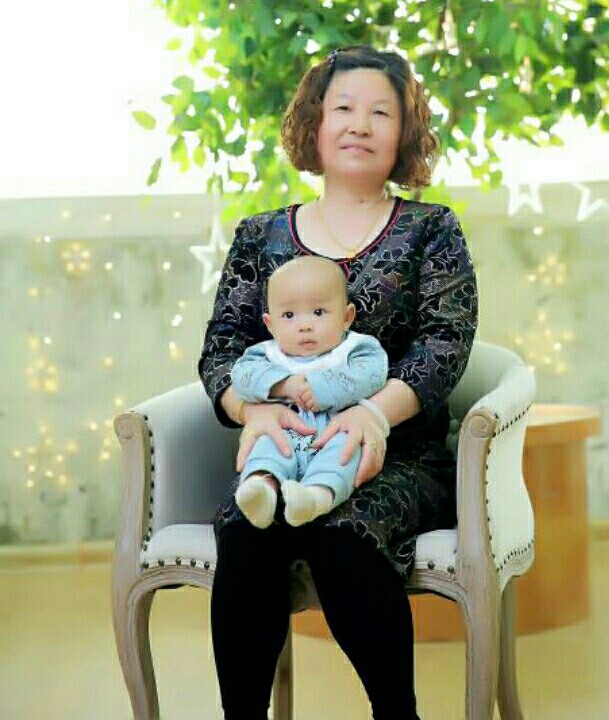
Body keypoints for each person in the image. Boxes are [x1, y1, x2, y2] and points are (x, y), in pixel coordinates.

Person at [199, 45, 478, 720]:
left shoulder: (432, 229)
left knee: (344, 534)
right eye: (344, 108)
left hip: (398, 455)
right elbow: (222, 348)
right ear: (315, 125)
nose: (360, 124)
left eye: (381, 112)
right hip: (282, 445)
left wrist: (373, 415)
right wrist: (252, 411)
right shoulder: (261, 235)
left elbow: (445, 343)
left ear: (404, 133)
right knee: (248, 530)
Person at [230, 255, 389, 529]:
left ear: (346, 317)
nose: (304, 325)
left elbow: (373, 374)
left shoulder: (354, 349)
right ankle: (261, 488)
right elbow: (241, 377)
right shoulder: (267, 354)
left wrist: (323, 389)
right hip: (287, 429)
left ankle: (315, 498)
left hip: (337, 429)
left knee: (344, 454)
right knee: (268, 446)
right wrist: (283, 385)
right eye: (289, 316)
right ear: (270, 324)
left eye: (318, 312)